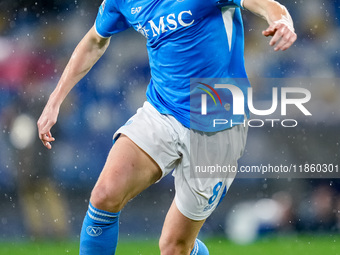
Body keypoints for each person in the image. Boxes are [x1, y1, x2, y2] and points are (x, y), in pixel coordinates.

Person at [37, 0, 297, 254]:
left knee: (174, 247)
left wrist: (281, 19)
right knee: (105, 195)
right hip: (161, 111)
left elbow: (264, 3)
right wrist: (55, 100)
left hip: (217, 123)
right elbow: (95, 40)